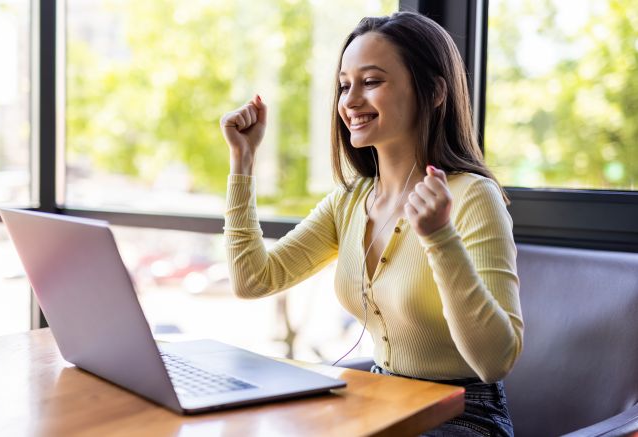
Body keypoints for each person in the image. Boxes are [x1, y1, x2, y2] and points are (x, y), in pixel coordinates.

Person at [220, 11, 522, 436]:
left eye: (372, 81)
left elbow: (494, 361)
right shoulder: (349, 201)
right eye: (345, 85)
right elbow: (253, 280)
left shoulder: (472, 197)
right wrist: (243, 162)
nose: (350, 101)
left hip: (463, 416)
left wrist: (439, 237)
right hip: (382, 403)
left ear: (434, 92)